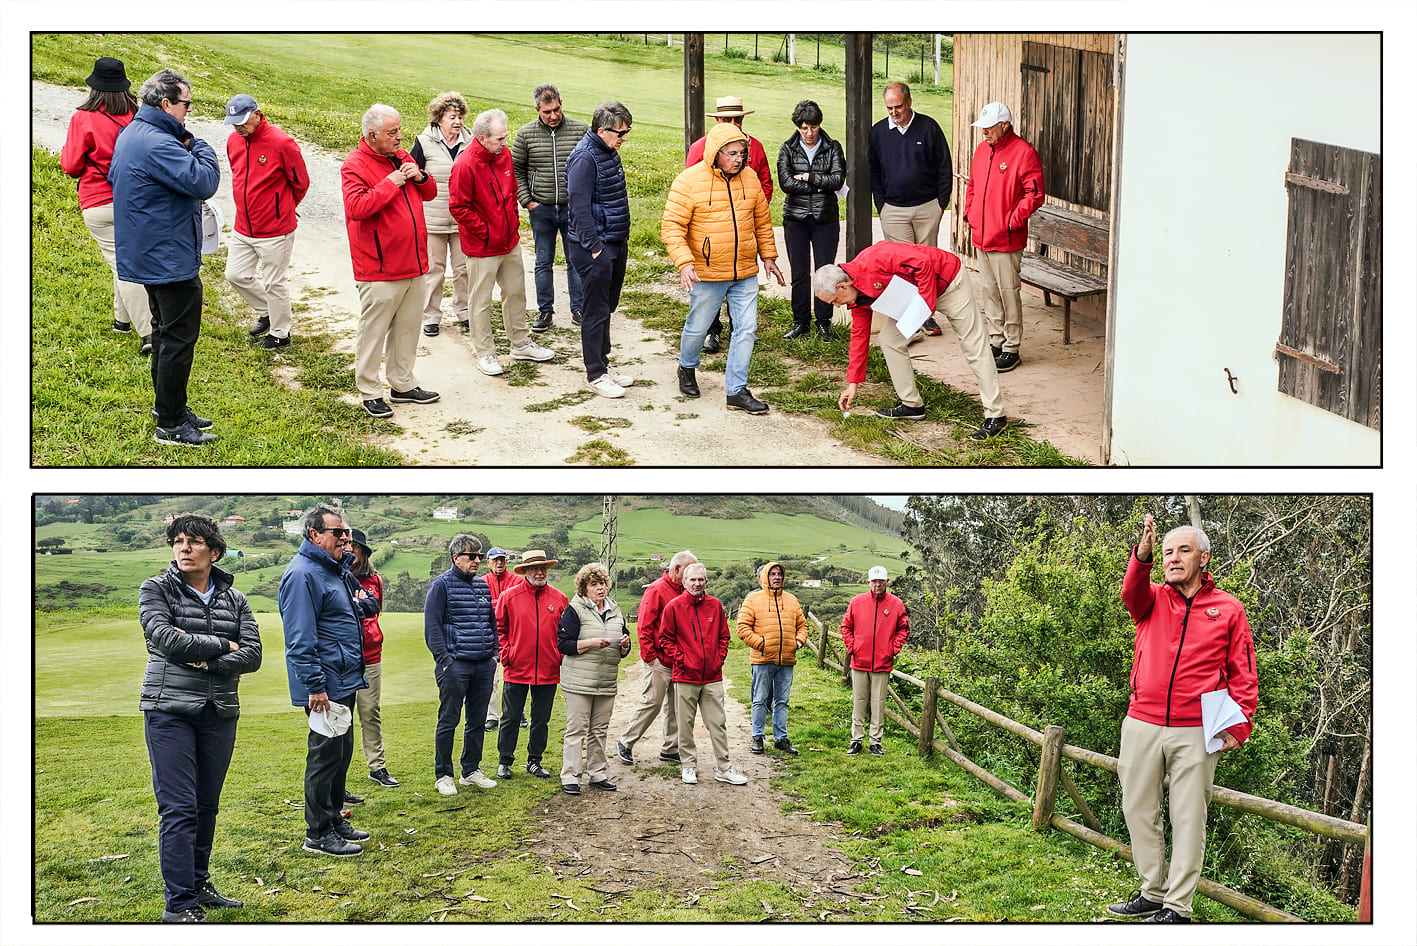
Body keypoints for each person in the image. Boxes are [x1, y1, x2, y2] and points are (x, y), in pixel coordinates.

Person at [1108, 515, 1258, 924]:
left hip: (1196, 729)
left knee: (1189, 816)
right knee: (1137, 808)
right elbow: (1130, 592)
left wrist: (1239, 724)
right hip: (1142, 722)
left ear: (1204, 558)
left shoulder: (1228, 608)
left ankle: (1178, 907)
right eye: (1168, 552)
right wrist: (1143, 555)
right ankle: (1152, 892)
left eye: (1183, 551)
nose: (1173, 559)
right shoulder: (1151, 598)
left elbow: (1243, 671)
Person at [138, 514, 261, 922]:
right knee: (178, 808)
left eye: (193, 541)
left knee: (206, 805)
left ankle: (198, 883)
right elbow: (166, 639)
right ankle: (179, 905)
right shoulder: (155, 588)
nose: (184, 548)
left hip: (219, 711)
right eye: (177, 541)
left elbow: (254, 655)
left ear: (215, 551)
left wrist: (206, 662)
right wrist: (224, 645)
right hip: (168, 710)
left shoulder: (236, 599)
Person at [108, 67, 221, 446]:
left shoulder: (134, 133)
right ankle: (170, 424)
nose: (189, 111)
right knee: (177, 339)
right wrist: (200, 146)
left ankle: (168, 407)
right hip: (167, 256)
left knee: (162, 332)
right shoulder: (158, 142)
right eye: (187, 103)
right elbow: (204, 181)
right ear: (167, 103)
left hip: (151, 251)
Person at [814, 241, 1008, 440]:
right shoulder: (855, 295)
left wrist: (925, 304)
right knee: (889, 339)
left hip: (949, 282)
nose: (837, 306)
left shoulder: (877, 256)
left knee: (973, 345)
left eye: (835, 301)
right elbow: (859, 335)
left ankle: (996, 416)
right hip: (915, 296)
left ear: (842, 286)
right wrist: (852, 384)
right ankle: (911, 405)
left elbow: (923, 262)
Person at [662, 122, 784, 414]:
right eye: (732, 153)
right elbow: (672, 226)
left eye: (742, 153)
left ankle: (737, 390)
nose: (738, 159)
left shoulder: (751, 178)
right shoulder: (688, 181)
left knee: (747, 329)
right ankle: (687, 367)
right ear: (716, 153)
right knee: (698, 326)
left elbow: (762, 222)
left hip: (744, 271)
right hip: (707, 271)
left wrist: (768, 255)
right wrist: (684, 262)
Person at [278, 506, 370, 857]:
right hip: (325, 685)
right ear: (314, 534)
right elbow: (300, 639)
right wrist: (315, 685)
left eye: (347, 533)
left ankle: (333, 819)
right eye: (338, 533)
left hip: (342, 679)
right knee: (324, 757)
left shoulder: (332, 570)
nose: (345, 539)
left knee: (341, 753)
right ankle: (317, 833)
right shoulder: (303, 574)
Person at [341, 103, 441, 419]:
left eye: (399, 130)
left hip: (413, 262)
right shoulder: (353, 165)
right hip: (379, 268)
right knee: (374, 332)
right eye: (392, 132)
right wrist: (392, 182)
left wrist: (421, 176)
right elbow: (357, 207)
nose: (400, 137)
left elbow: (430, 194)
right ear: (372, 135)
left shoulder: (402, 157)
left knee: (408, 329)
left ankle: (402, 384)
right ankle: (370, 391)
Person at [449, 108, 556, 378]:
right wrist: (485, 230)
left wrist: (511, 222)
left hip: (509, 240)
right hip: (482, 247)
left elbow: (509, 193)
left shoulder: (504, 155)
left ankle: (520, 344)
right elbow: (459, 207)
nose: (504, 143)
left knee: (516, 292)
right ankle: (484, 352)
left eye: (505, 137)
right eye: (499, 139)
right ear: (483, 138)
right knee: (481, 300)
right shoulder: (465, 165)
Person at [59, 56, 151, 352]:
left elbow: (71, 166)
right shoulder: (137, 116)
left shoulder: (82, 118)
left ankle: (148, 333)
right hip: (134, 201)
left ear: (94, 86)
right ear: (124, 86)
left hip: (98, 202)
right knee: (123, 261)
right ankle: (121, 321)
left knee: (123, 266)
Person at [685, 96, 774, 354]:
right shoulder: (699, 147)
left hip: (742, 230)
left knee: (742, 284)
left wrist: (750, 209)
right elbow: (691, 188)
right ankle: (711, 332)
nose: (733, 123)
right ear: (718, 120)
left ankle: (741, 331)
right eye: (727, 119)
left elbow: (765, 183)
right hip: (710, 234)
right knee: (709, 288)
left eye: (738, 119)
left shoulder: (754, 146)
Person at [222, 93, 309, 349]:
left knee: (274, 282)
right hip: (243, 227)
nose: (239, 127)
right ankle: (267, 311)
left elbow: (301, 182)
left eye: (244, 121)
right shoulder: (233, 141)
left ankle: (281, 334)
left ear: (258, 115)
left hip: (275, 230)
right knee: (235, 275)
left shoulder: (282, 143)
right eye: (234, 122)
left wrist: (285, 207)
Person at [964, 102, 1045, 373]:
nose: (984, 132)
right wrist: (970, 213)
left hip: (1006, 237)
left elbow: (1034, 193)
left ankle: (1012, 346)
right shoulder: (982, 150)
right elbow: (973, 185)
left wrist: (1012, 220)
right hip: (982, 235)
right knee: (988, 291)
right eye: (982, 127)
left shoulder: (1024, 153)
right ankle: (996, 339)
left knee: (1008, 292)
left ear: (1005, 125)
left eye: (989, 127)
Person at [565, 100, 636, 398]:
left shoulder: (608, 152)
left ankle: (604, 364)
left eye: (627, 132)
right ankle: (595, 373)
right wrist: (595, 249)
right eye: (620, 133)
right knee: (594, 310)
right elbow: (578, 208)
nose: (624, 138)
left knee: (608, 306)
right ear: (601, 129)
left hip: (614, 240)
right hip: (595, 247)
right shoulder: (584, 158)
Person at [868, 82, 952, 335]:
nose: (894, 112)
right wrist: (882, 206)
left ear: (909, 102)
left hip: (928, 207)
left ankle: (926, 316)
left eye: (898, 107)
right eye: (889, 108)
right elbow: (874, 172)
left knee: (927, 265)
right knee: (902, 267)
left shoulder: (929, 128)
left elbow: (944, 167)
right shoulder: (878, 133)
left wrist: (940, 204)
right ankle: (906, 318)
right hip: (893, 210)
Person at [657, 563, 749, 787]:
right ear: (684, 582)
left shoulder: (715, 606)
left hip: (712, 676)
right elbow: (665, 639)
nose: (697, 583)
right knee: (685, 723)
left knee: (718, 722)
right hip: (685, 676)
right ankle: (688, 765)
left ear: (706, 582)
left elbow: (724, 636)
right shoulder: (674, 607)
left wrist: (719, 658)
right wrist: (682, 659)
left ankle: (724, 767)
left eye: (701, 580)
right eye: (692, 580)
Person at [423, 534, 500, 795]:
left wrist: (494, 655)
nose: (477, 560)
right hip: (456, 665)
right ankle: (443, 774)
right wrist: (446, 662)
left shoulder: (481, 586)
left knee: (477, 720)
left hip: (482, 664)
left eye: (479, 556)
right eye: (472, 556)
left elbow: (491, 623)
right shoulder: (441, 585)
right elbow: (432, 628)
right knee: (449, 720)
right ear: (456, 557)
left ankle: (471, 770)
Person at [512, 84, 589, 332]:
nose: (553, 115)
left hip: (572, 209)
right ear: (537, 110)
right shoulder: (525, 135)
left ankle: (578, 308)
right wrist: (528, 200)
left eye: (556, 109)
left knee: (575, 259)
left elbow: (591, 164)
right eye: (547, 112)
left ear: (561, 104)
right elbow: (516, 170)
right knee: (543, 260)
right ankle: (545, 311)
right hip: (541, 208)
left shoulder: (580, 130)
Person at [557, 563, 632, 795]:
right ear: (583, 588)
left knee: (599, 729)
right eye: (594, 585)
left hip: (606, 680)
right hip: (579, 681)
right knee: (577, 729)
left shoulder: (615, 609)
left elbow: (624, 639)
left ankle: (597, 773)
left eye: (602, 584)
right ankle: (570, 775)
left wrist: (625, 646)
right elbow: (564, 644)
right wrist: (591, 643)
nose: (600, 589)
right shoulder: (574, 610)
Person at [494, 550, 570, 780]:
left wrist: (559, 657)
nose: (540, 572)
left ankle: (534, 761)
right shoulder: (509, 597)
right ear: (525, 571)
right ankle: (504, 761)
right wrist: (507, 654)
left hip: (548, 669)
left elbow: (566, 634)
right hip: (516, 668)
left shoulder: (559, 599)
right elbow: (498, 629)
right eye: (535, 569)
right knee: (510, 717)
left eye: (543, 569)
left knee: (541, 720)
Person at [615, 550, 694, 767]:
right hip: (659, 659)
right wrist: (650, 656)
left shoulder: (683, 590)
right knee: (653, 701)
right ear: (677, 569)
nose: (692, 577)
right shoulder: (657, 590)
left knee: (675, 705)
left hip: (677, 659)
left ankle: (670, 748)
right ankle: (626, 741)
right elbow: (644, 624)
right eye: (688, 571)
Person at [776, 100, 846, 342]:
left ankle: (824, 322)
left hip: (825, 218)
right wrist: (819, 184)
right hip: (795, 218)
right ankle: (800, 321)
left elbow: (837, 180)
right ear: (798, 127)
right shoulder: (787, 148)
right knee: (800, 272)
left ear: (819, 125)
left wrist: (808, 177)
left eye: (813, 128)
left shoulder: (833, 147)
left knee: (826, 271)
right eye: (804, 128)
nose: (809, 133)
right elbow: (786, 183)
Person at [410, 92, 473, 337]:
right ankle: (431, 316)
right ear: (439, 119)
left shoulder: (470, 142)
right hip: (433, 220)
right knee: (434, 271)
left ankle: (464, 310)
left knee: (462, 269)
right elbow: (413, 178)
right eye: (451, 117)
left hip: (462, 221)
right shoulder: (424, 143)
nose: (457, 122)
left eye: (459, 117)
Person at [736, 561, 809, 756]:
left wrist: (798, 643)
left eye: (779, 574)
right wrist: (761, 644)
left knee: (782, 701)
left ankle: (781, 739)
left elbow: (802, 625)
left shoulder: (792, 600)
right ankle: (757, 737)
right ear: (764, 577)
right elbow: (742, 628)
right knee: (759, 699)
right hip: (762, 660)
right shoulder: (753, 600)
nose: (777, 577)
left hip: (786, 660)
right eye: (772, 574)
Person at [840, 565, 910, 756]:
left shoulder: (896, 604)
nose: (877, 585)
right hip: (860, 661)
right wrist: (852, 647)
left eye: (881, 581)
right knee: (859, 701)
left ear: (887, 582)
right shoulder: (857, 602)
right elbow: (846, 626)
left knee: (878, 703)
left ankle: (875, 742)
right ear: (868, 582)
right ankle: (856, 740)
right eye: (874, 581)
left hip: (882, 663)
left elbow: (903, 629)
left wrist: (892, 649)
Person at [347, 528, 397, 788]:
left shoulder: (373, 580)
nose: (349, 549)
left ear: (362, 552)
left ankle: (377, 767)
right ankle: (336, 775)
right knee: (341, 716)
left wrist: (360, 605)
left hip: (370, 654)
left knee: (370, 711)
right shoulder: (334, 576)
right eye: (346, 544)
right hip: (343, 657)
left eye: (353, 546)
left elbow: (373, 611)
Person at [481, 547, 519, 731]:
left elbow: (517, 606)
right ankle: (492, 716)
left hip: (514, 635)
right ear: (487, 562)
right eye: (495, 560)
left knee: (516, 677)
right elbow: (480, 607)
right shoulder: (480, 583)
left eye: (502, 559)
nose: (499, 563)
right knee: (491, 678)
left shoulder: (517, 581)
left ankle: (518, 712)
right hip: (489, 636)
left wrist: (494, 604)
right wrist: (503, 602)